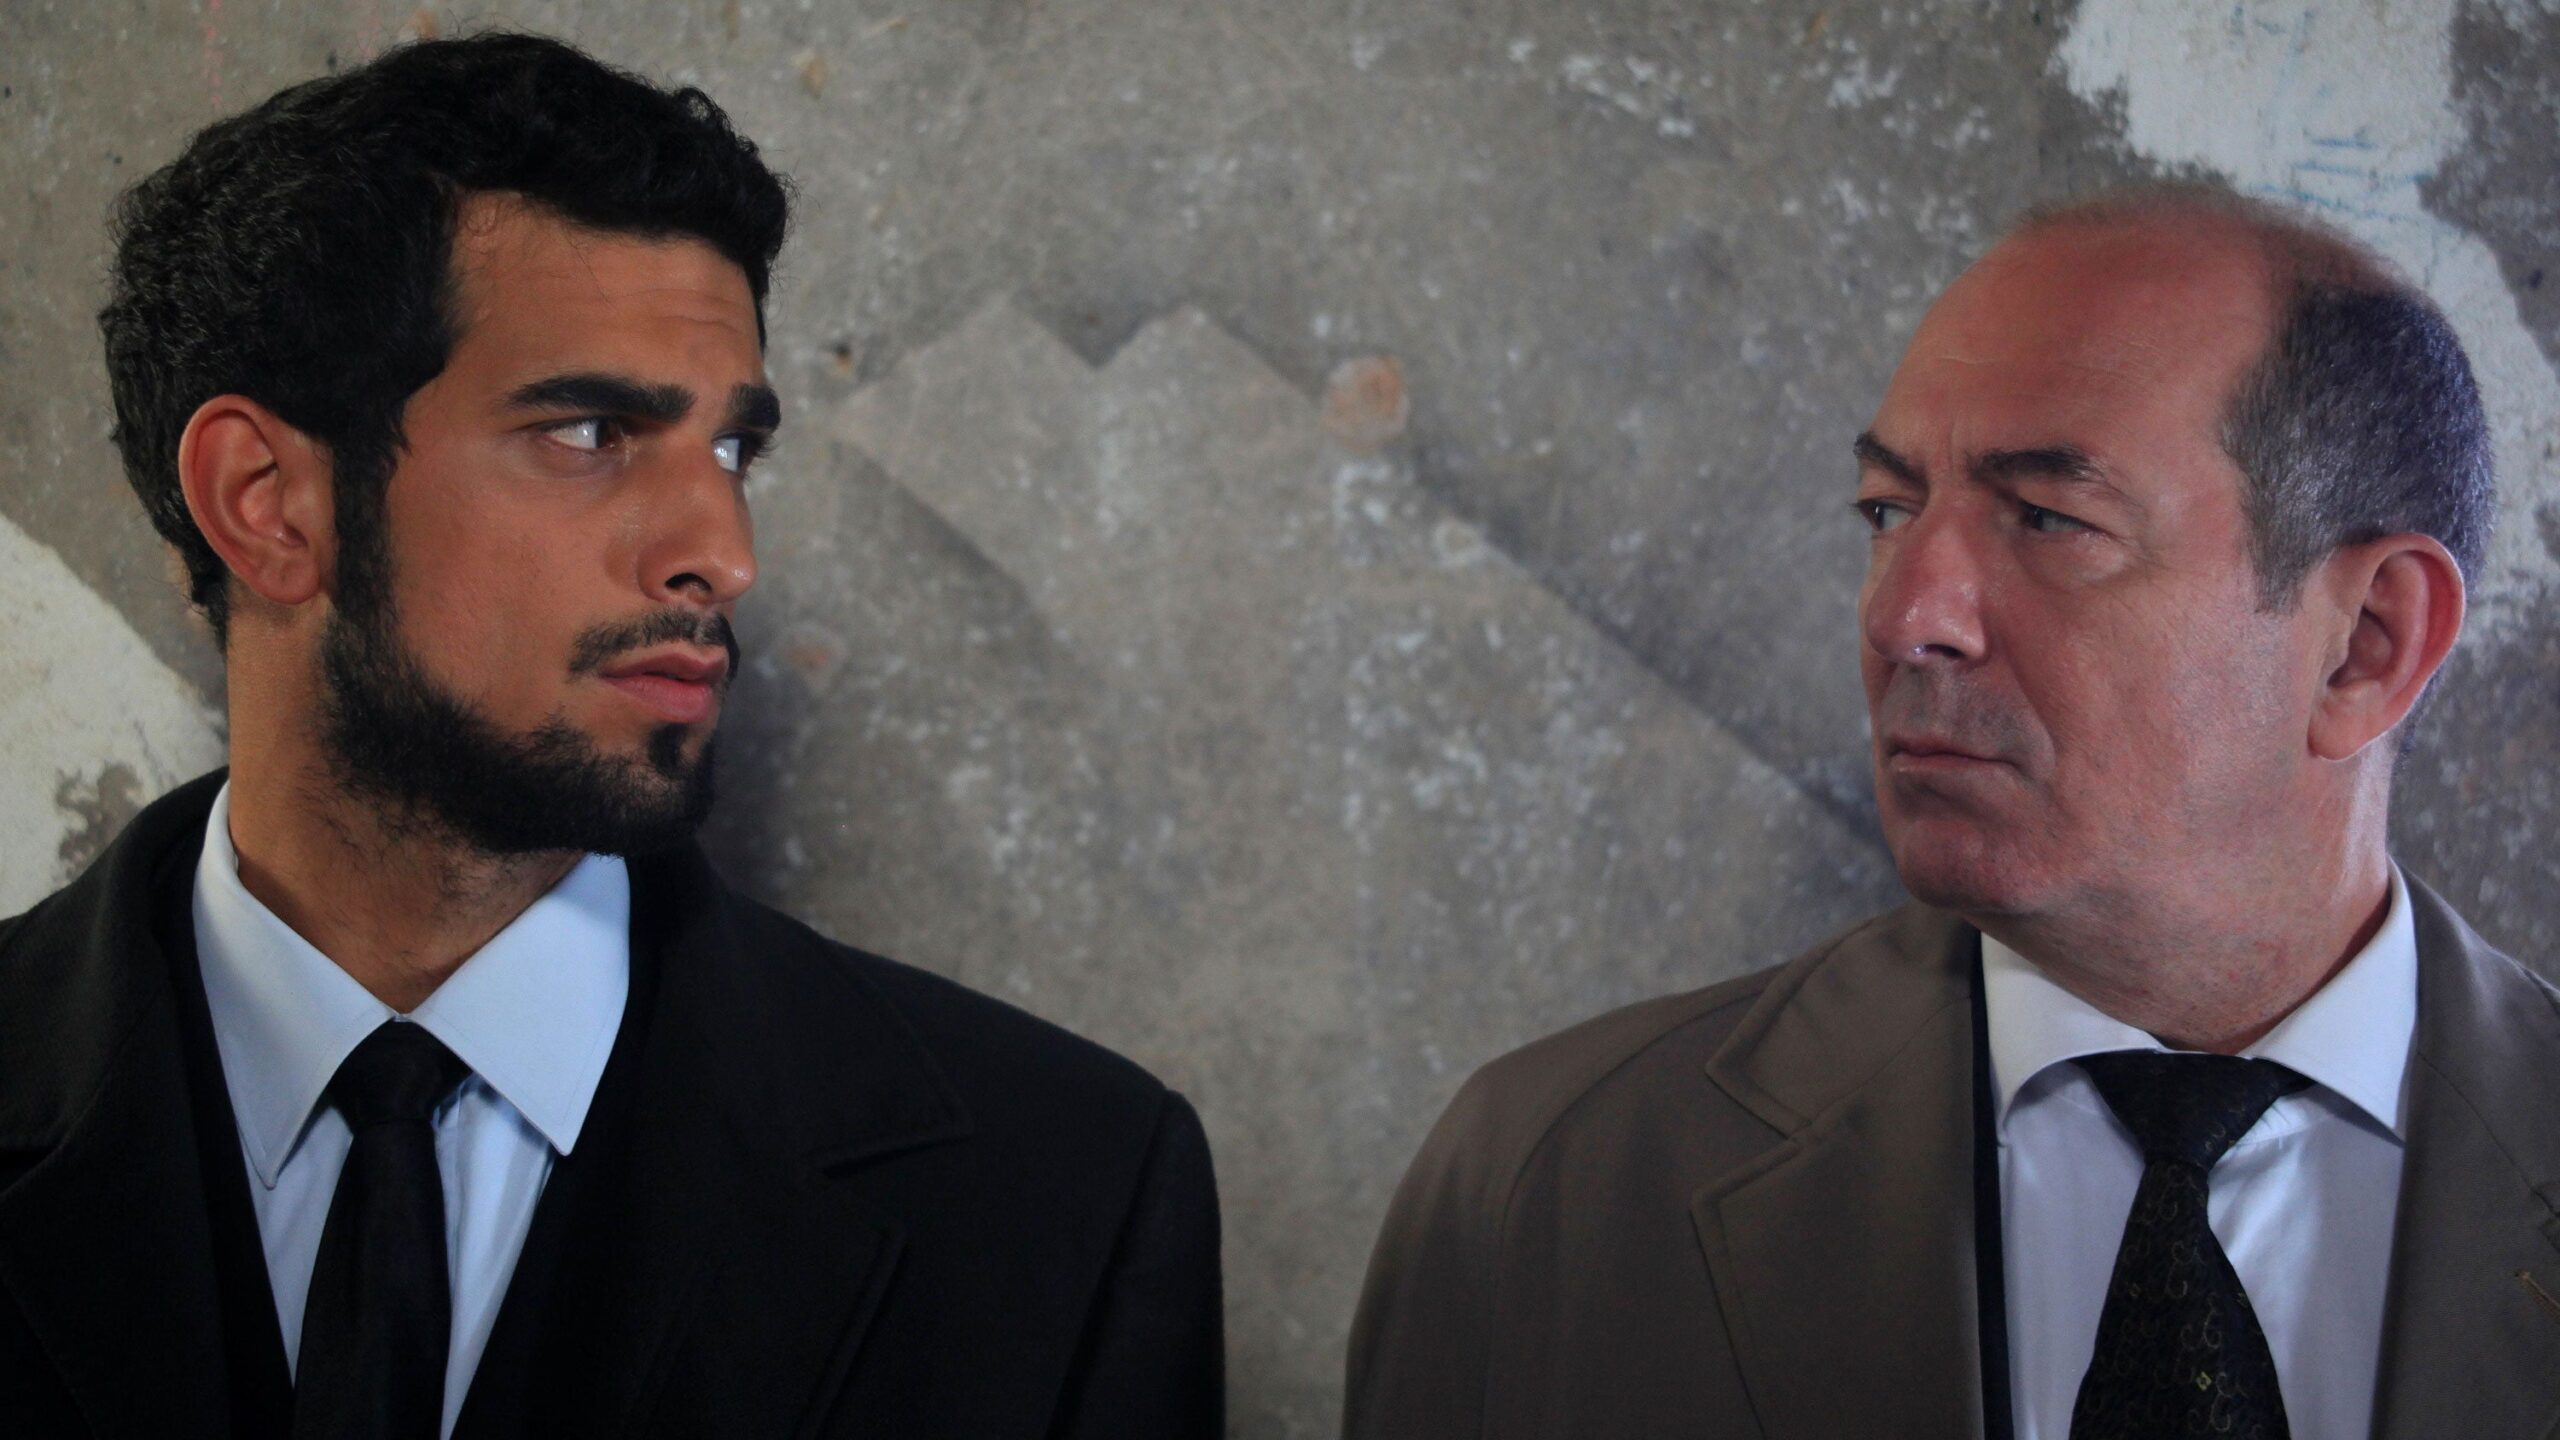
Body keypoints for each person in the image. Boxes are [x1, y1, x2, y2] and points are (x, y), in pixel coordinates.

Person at [0, 33, 1221, 1439]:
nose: (724, 552)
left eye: (731, 450)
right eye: (589, 433)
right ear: (266, 502)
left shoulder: (1061, 1197)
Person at [1344, 184, 2554, 1440]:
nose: (1903, 615)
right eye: (1888, 510)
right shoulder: (1555, 1183)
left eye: (2048, 520)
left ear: (2365, 645)